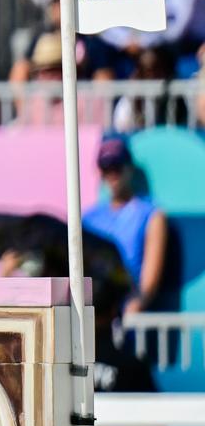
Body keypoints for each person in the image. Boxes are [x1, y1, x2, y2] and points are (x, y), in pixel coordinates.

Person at [82, 134, 169, 317]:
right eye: (106, 167)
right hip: (96, 311)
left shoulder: (151, 214)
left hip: (126, 314)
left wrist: (134, 306)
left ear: (129, 167)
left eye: (117, 165)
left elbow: (147, 285)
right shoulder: (88, 219)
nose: (112, 174)